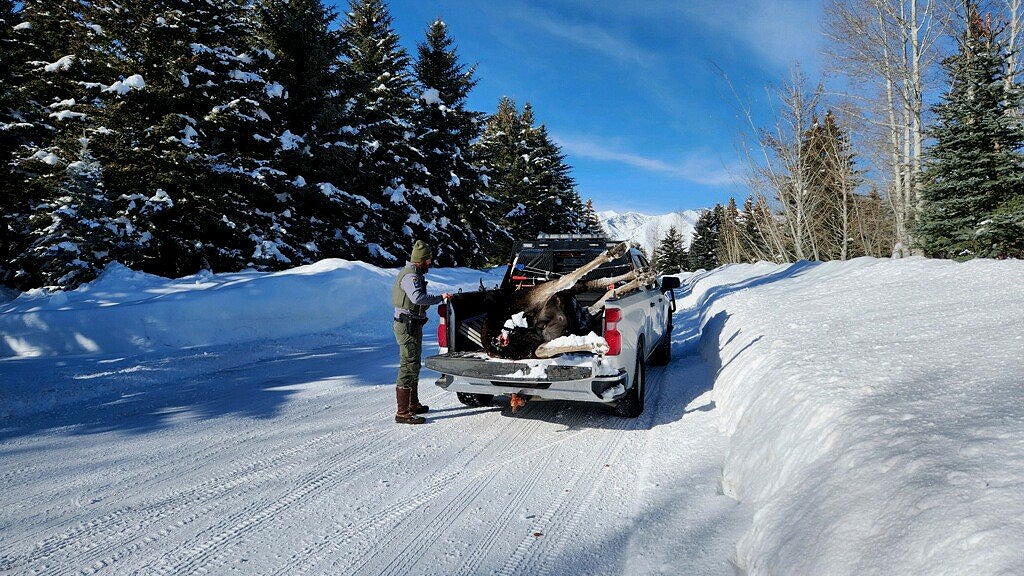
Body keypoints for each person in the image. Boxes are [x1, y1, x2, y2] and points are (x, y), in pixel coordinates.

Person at [391, 240, 449, 424]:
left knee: (414, 363)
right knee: (408, 363)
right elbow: (418, 298)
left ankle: (412, 404)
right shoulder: (411, 276)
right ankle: (402, 412)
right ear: (421, 260)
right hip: (406, 325)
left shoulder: (414, 273)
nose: (430, 263)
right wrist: (440, 298)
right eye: (428, 260)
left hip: (413, 324)